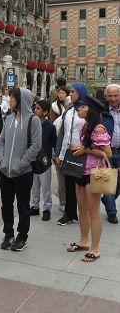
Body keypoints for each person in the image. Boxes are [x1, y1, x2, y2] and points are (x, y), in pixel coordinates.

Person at [66, 95, 112, 262]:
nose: (79, 109)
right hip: (81, 171)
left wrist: (86, 150)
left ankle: (95, 248)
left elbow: (107, 154)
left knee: (93, 212)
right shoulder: (86, 126)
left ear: (91, 110)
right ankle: (84, 241)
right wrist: (80, 148)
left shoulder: (98, 129)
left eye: (83, 106)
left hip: (94, 173)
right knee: (82, 208)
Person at [0, 87, 42, 251]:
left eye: (13, 97)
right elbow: (1, 141)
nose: (10, 100)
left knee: (23, 206)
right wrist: (1, 160)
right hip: (5, 171)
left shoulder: (33, 120)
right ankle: (8, 233)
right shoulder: (9, 119)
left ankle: (22, 236)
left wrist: (22, 164)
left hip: (23, 173)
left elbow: (36, 146)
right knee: (6, 205)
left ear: (21, 100)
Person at [54, 82, 89, 226]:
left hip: (83, 153)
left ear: (81, 92)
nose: (71, 94)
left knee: (82, 186)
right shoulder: (69, 110)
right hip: (68, 152)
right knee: (68, 184)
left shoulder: (88, 110)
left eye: (73, 91)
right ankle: (69, 214)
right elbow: (63, 133)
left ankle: (86, 213)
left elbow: (93, 131)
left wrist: (86, 147)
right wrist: (59, 154)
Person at [30, 99, 57, 221]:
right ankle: (34, 206)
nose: (35, 110)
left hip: (45, 160)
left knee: (45, 186)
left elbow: (54, 143)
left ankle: (47, 208)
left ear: (45, 112)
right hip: (32, 159)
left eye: (38, 108)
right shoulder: (32, 124)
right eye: (35, 108)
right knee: (34, 185)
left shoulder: (50, 126)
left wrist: (54, 156)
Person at [101, 84, 120, 224]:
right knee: (108, 181)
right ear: (106, 97)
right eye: (110, 96)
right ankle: (112, 212)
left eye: (116, 95)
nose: (113, 98)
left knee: (117, 183)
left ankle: (108, 200)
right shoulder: (102, 112)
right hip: (107, 151)